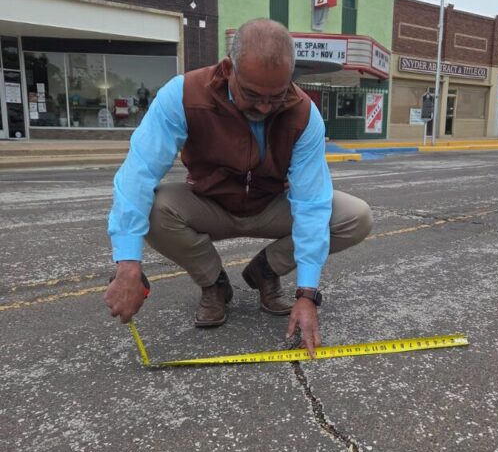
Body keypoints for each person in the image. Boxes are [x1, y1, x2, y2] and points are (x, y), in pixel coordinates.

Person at [103, 18, 373, 357]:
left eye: (275, 97)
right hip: (210, 204)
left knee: (355, 216)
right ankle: (214, 283)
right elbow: (138, 174)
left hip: (270, 205)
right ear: (229, 68)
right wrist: (128, 265)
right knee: (155, 209)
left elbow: (311, 203)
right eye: (253, 95)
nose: (264, 107)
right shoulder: (182, 95)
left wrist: (307, 294)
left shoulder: (305, 115)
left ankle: (266, 270)